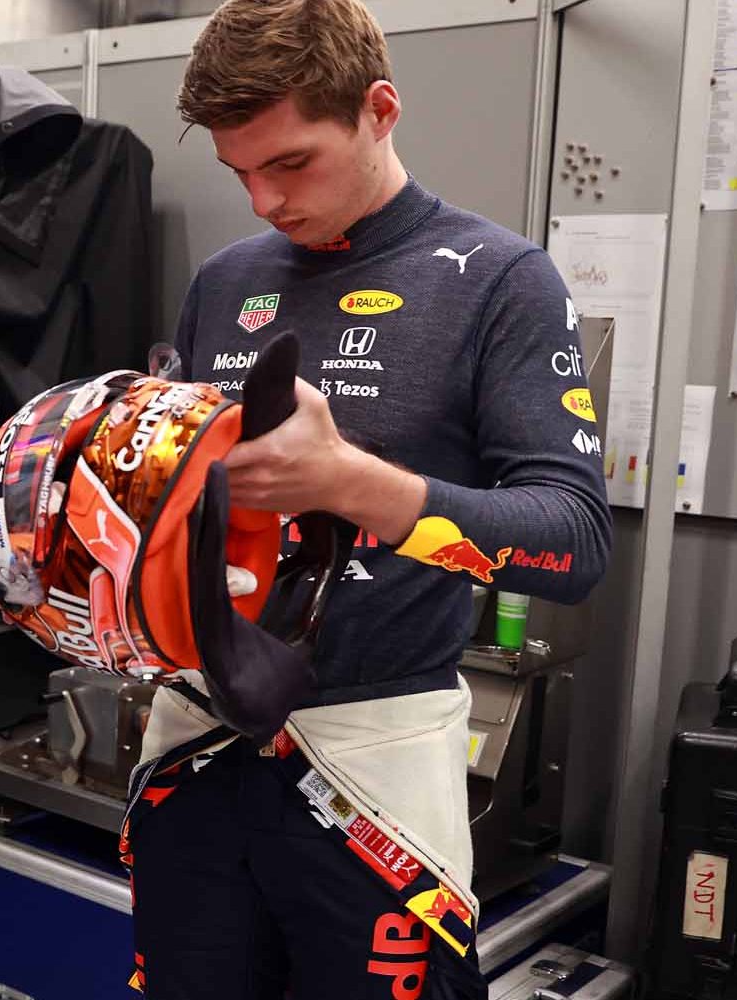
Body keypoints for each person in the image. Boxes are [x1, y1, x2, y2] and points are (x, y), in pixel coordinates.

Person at [124, 1, 613, 998]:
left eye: (291, 163)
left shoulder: (501, 281)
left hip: (370, 772)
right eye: (240, 172)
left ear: (378, 110)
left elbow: (573, 543)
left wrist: (352, 483)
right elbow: (175, 505)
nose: (263, 200)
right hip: (202, 753)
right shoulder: (227, 280)